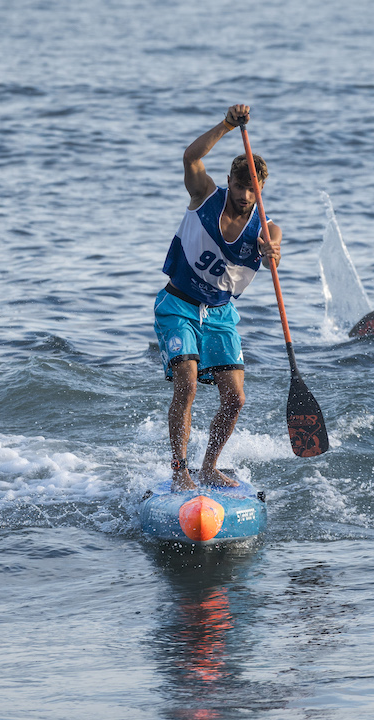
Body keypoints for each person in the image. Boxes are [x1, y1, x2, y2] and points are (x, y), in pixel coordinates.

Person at [154, 104, 281, 491]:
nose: (245, 196)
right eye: (240, 187)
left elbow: (272, 246)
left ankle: (209, 466)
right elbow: (191, 157)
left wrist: (269, 252)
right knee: (188, 382)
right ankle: (180, 470)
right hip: (177, 303)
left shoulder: (267, 227)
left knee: (236, 399)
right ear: (229, 181)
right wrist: (228, 125)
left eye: (252, 190)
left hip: (221, 315)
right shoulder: (204, 196)